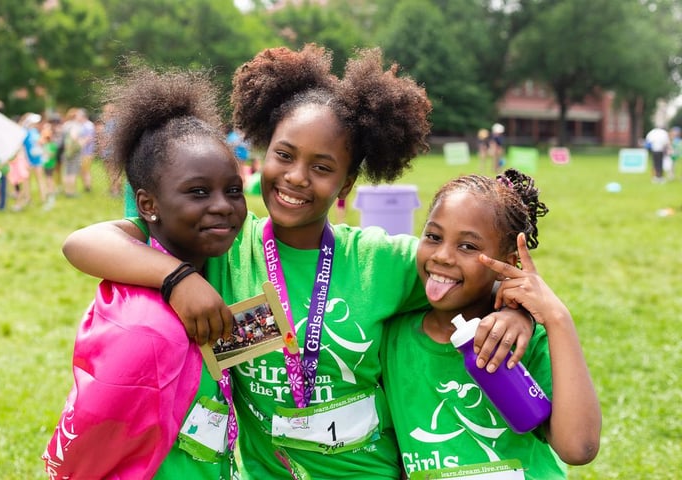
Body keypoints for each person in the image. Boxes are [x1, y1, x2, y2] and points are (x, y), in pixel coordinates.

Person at [61, 45, 535, 479]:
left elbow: (483, 278)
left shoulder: (379, 260)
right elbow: (83, 243)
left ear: (346, 186)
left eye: (322, 167)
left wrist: (517, 313)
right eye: (284, 155)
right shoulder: (222, 244)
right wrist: (176, 278)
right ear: (262, 155)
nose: (296, 178)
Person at [42, 66, 247, 480]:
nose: (223, 205)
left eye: (234, 190)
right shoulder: (146, 331)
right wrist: (176, 278)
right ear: (148, 205)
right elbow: (82, 464)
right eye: (198, 192)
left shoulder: (220, 254)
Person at [382, 169, 601, 479]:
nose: (443, 256)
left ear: (507, 265)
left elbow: (579, 448)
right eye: (433, 236)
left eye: (468, 246)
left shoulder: (523, 343)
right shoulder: (393, 337)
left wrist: (556, 318)